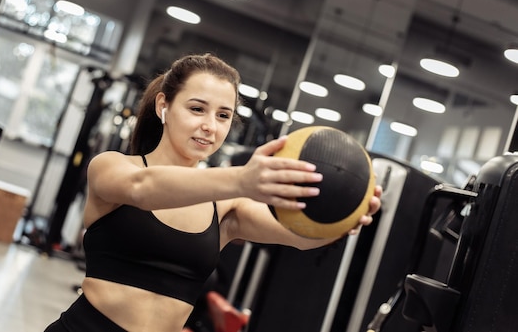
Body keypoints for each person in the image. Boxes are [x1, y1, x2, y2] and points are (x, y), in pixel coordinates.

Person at [45, 52, 382, 332]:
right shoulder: (113, 166)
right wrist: (242, 180)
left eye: (224, 115)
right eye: (197, 109)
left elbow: (299, 237)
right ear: (164, 105)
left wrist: (348, 218)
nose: (210, 125)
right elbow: (143, 188)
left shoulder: (225, 206)